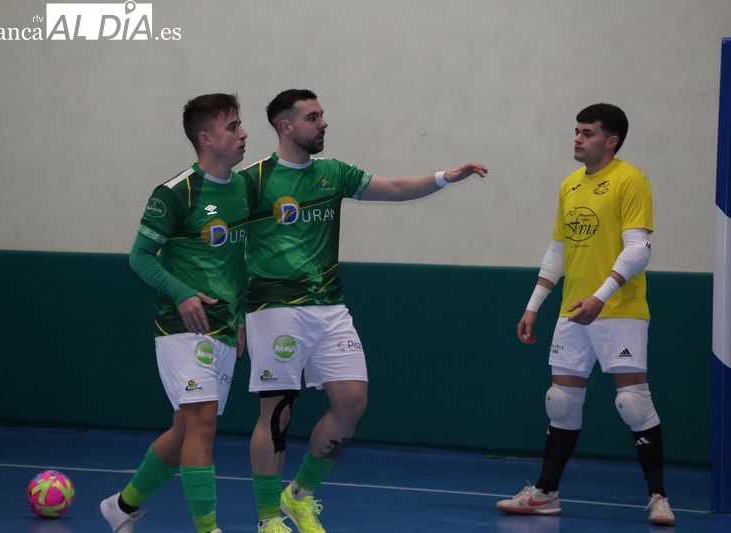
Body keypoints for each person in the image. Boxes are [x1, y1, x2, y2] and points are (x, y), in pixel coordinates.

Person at [240, 89, 488, 533]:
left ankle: (299, 495)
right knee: (277, 413)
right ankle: (267, 518)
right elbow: (219, 239)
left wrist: (445, 177)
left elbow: (394, 188)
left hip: (330, 307)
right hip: (274, 309)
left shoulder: (333, 173)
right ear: (285, 127)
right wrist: (229, 312)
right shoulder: (252, 181)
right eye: (313, 117)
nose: (323, 123)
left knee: (352, 402)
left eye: (322, 114)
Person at [495, 103, 675, 526]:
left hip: (619, 311)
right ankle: (546, 493)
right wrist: (533, 306)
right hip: (572, 311)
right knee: (560, 402)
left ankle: (658, 497)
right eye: (576, 131)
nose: (577, 138)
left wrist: (601, 296)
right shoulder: (570, 185)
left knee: (633, 403)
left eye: (587, 132)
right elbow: (558, 249)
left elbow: (638, 249)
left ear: (611, 141)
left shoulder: (631, 180)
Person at [99, 93, 252, 533]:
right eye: (233, 126)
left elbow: (238, 262)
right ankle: (208, 528)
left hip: (224, 328)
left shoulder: (244, 189)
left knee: (186, 429)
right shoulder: (174, 192)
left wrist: (241, 317)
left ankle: (121, 506)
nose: (243, 134)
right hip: (181, 328)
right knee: (202, 423)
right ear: (206, 138)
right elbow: (140, 256)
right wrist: (181, 292)